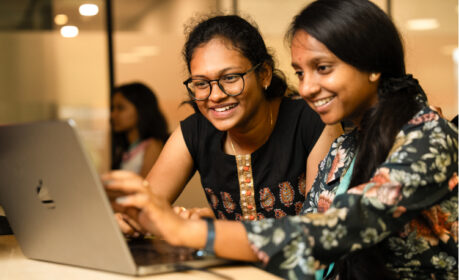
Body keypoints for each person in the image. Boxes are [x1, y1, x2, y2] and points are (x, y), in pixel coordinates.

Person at [104, 0, 458, 279]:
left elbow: (340, 228)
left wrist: (189, 232)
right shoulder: (346, 146)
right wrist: (211, 227)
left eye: (323, 68)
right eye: (301, 73)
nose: (305, 88)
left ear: (372, 66)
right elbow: (307, 228)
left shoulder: (427, 136)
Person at [105, 15, 340, 225]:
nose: (215, 95)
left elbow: (317, 232)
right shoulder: (194, 132)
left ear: (264, 74)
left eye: (229, 78)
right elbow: (141, 210)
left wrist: (207, 229)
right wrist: (129, 220)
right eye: (201, 83)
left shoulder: (313, 122)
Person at [110, 82, 169, 177]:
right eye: (113, 108)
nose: (113, 115)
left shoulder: (152, 146)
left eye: (120, 108)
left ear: (141, 109)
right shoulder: (124, 149)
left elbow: (145, 188)